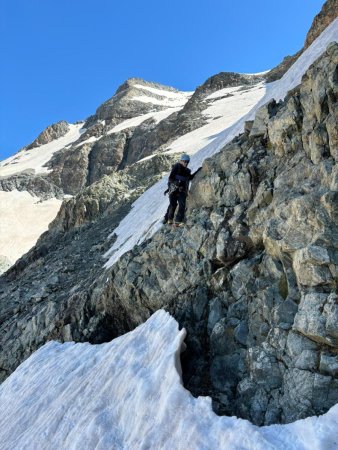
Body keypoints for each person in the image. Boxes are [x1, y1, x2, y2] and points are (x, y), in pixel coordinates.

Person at [163, 154, 201, 227]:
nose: (186, 163)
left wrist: (197, 171)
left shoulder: (187, 170)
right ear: (181, 161)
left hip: (181, 190)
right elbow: (171, 178)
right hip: (174, 189)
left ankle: (177, 221)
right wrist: (176, 182)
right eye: (184, 161)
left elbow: (190, 178)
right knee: (173, 204)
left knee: (181, 205)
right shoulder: (177, 166)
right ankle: (168, 219)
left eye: (187, 162)